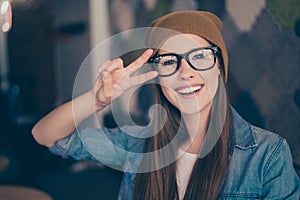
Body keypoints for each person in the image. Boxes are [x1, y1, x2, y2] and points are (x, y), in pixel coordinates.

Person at [32, 10, 300, 199]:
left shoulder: (268, 154)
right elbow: (46, 136)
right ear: (159, 77)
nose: (186, 72)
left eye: (200, 56)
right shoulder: (138, 144)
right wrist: (96, 99)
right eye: (170, 61)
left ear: (219, 65)